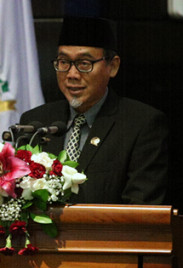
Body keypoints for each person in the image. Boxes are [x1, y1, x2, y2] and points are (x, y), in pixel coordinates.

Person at [20, 16, 168, 204]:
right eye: (63, 62)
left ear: (112, 66)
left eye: (84, 63)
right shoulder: (36, 121)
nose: (72, 74)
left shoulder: (140, 124)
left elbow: (140, 208)